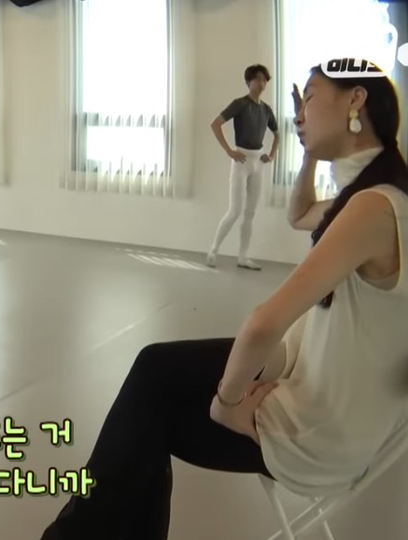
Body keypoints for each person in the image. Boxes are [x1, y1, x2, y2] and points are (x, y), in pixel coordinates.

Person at [40, 62, 408, 539]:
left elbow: (265, 323)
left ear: (356, 100)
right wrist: (310, 154)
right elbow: (300, 214)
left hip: (321, 430)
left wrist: (228, 405)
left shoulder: (373, 208)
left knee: (147, 418)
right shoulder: (376, 197)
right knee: (153, 371)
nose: (300, 113)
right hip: (313, 381)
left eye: (313, 96)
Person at [207, 64, 281, 271]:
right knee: (235, 211)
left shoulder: (266, 109)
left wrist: (271, 155)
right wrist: (229, 151)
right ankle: (213, 250)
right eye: (257, 79)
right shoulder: (240, 104)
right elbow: (215, 124)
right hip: (241, 161)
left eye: (264, 80)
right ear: (248, 82)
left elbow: (277, 135)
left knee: (250, 213)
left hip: (258, 162)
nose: (261, 83)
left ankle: (243, 257)